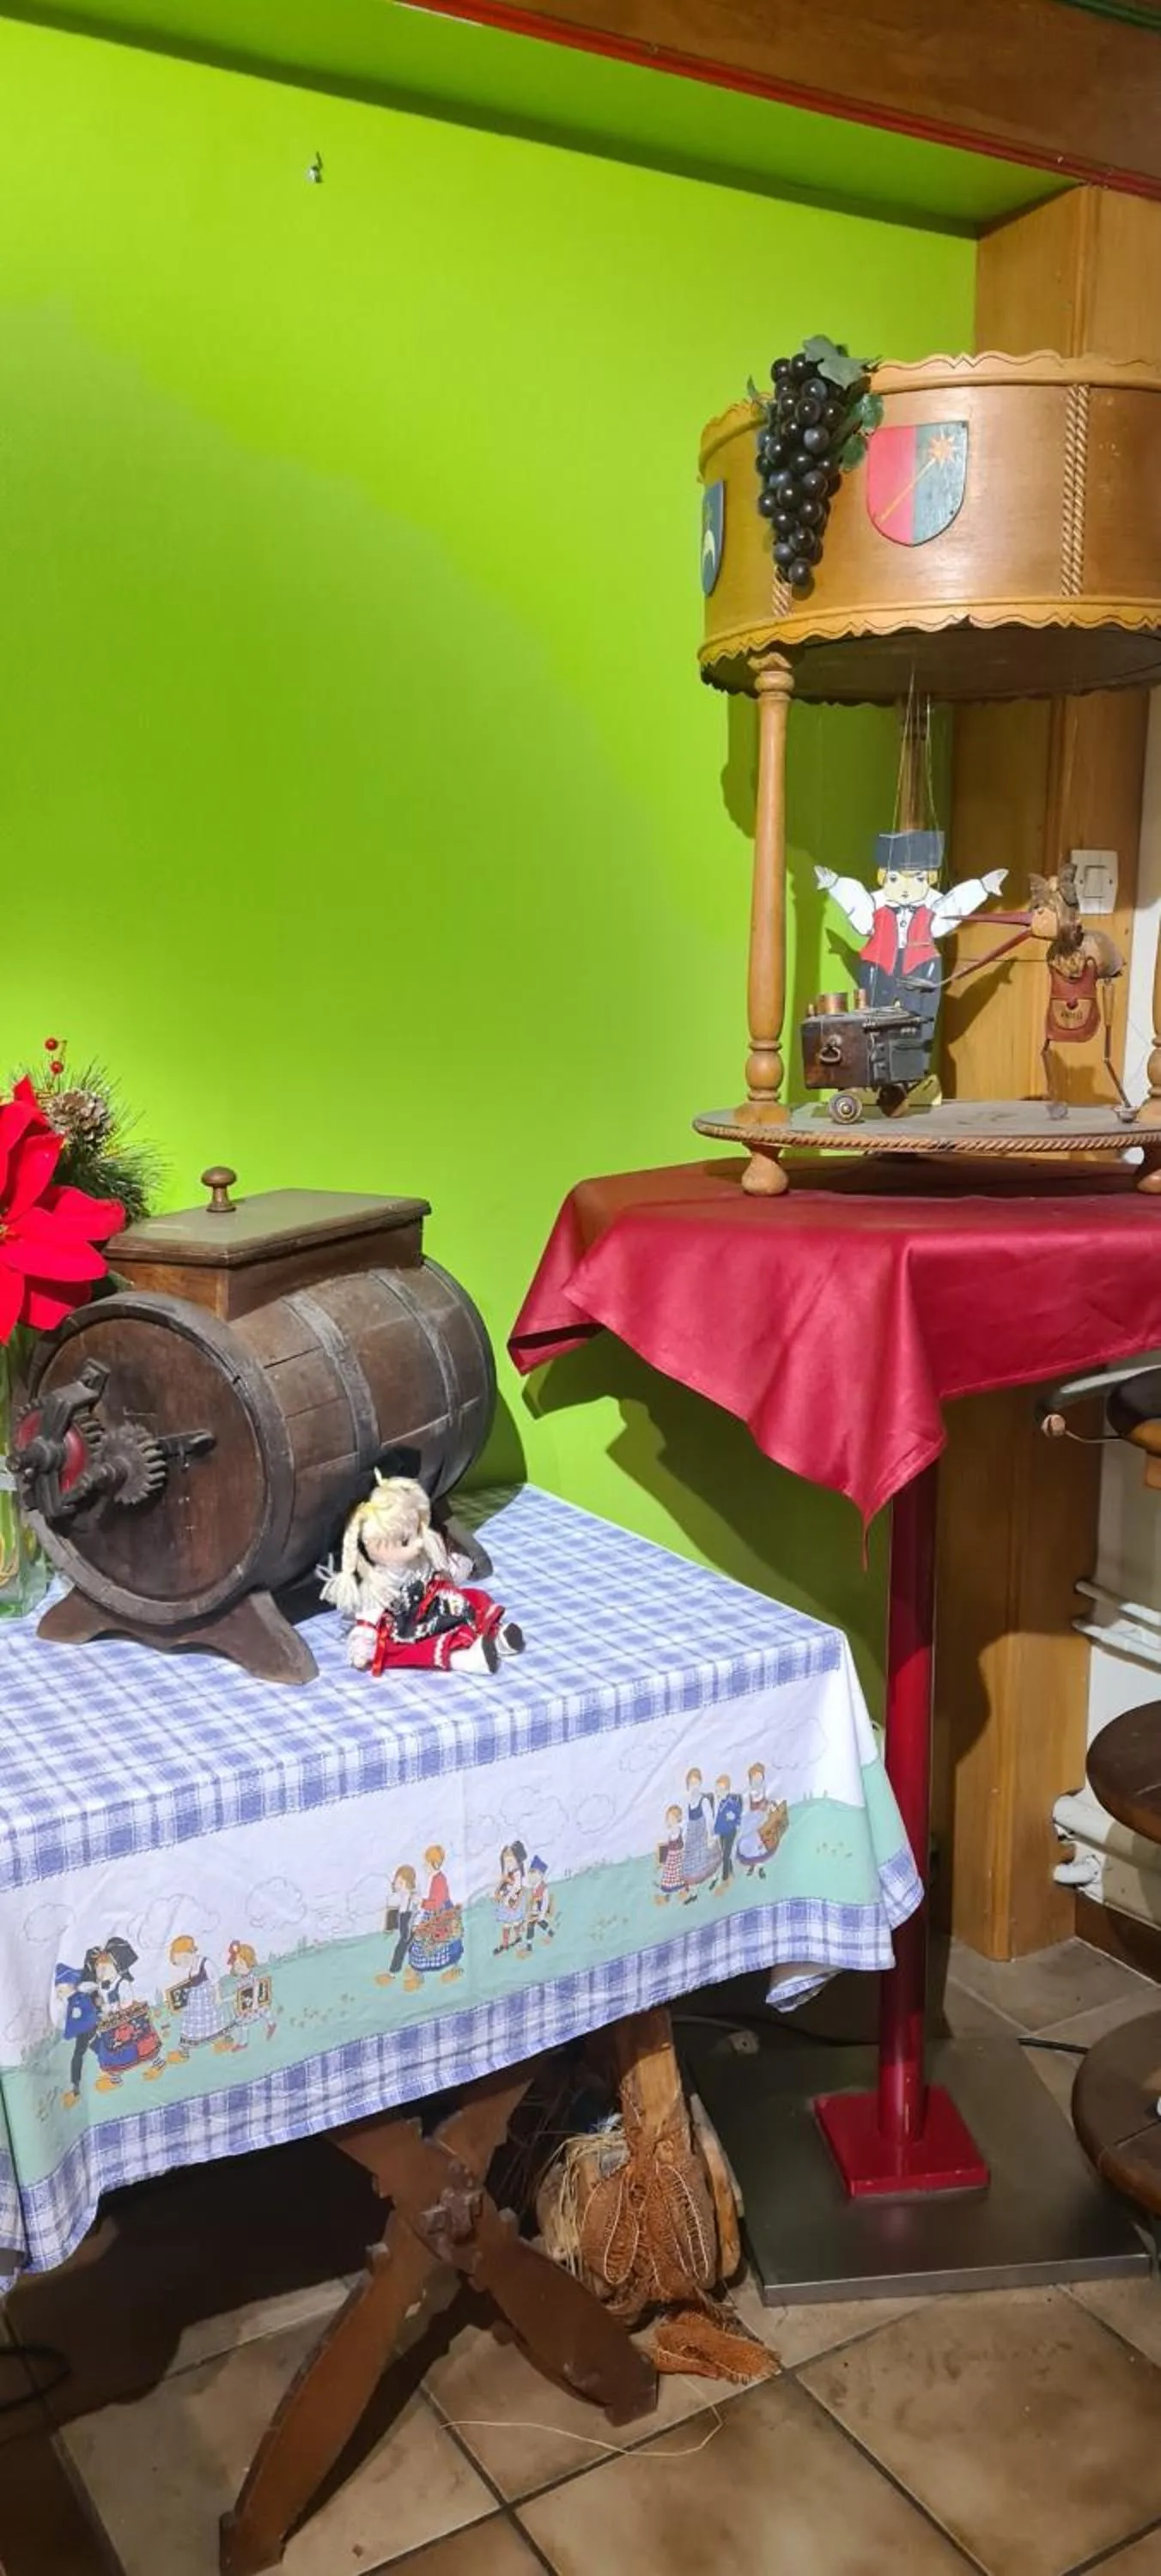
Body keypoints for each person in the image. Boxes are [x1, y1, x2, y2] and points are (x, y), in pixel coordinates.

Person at [816, 831, 1006, 1059]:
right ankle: (876, 1061)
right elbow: (856, 902)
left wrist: (983, 886)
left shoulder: (933, 906)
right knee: (875, 1017)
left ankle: (915, 1064)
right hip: (880, 966)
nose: (906, 889)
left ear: (930, 878)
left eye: (918, 879)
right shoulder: (876, 904)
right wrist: (834, 883)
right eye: (895, 880)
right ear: (883, 877)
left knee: (920, 1018)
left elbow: (954, 903)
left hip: (921, 965)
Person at [320, 1474, 525, 1676]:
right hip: (409, 1629)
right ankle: (465, 1660)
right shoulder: (379, 1584)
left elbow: (438, 1570)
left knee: (471, 1605)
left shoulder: (418, 1559)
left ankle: (496, 1640)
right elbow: (368, 1619)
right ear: (375, 1546)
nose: (418, 1543)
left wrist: (457, 1567)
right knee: (430, 1645)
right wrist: (361, 1647)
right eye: (405, 1542)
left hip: (437, 1608)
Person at [712, 1775, 743, 1887]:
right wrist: (716, 1832)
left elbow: (737, 1815)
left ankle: (725, 1878)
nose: (718, 1793)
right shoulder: (721, 1804)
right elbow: (719, 1819)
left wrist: (735, 1820)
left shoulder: (731, 1804)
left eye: (720, 1790)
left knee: (725, 1855)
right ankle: (730, 1871)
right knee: (725, 1853)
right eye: (717, 1790)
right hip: (722, 1832)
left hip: (730, 1832)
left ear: (727, 1790)